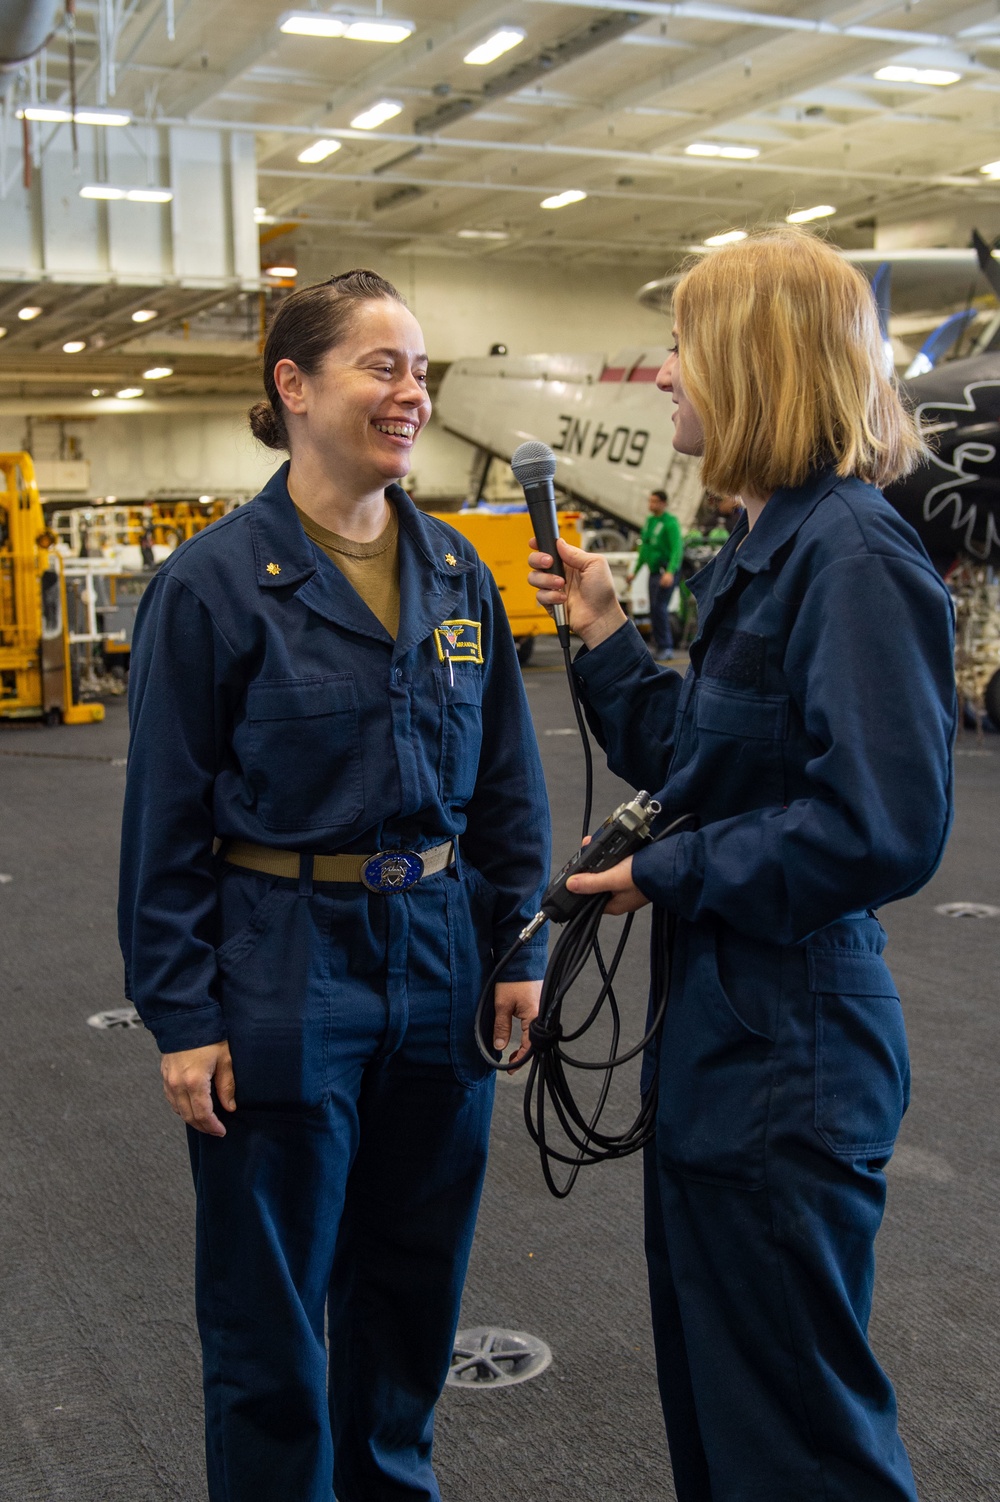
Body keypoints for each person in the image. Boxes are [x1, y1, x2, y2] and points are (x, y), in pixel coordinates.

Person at [528, 228, 955, 1501]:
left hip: (790, 1045)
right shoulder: (774, 547)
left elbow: (881, 825)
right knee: (728, 1414)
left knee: (796, 1441)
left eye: (684, 346)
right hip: (727, 1037)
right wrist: (604, 628)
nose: (663, 375)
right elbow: (696, 766)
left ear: (753, 363)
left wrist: (666, 874)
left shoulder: (853, 555)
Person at [118, 270, 550, 1502]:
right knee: (270, 1313)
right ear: (292, 385)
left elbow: (509, 786)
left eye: (420, 370)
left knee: (412, 1293)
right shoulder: (210, 585)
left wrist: (515, 948)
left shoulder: (461, 574)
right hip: (282, 960)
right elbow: (162, 823)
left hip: (439, 963)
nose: (410, 392)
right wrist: (184, 1013)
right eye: (381, 365)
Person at [628, 488, 684, 660]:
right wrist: (635, 572)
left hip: (664, 571)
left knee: (660, 608)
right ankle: (660, 645)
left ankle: (666, 646)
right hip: (653, 573)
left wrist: (670, 572)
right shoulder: (650, 522)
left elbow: (677, 550)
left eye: (654, 501)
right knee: (653, 609)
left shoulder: (670, 523)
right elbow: (645, 550)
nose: (650, 504)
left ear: (663, 503)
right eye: (650, 501)